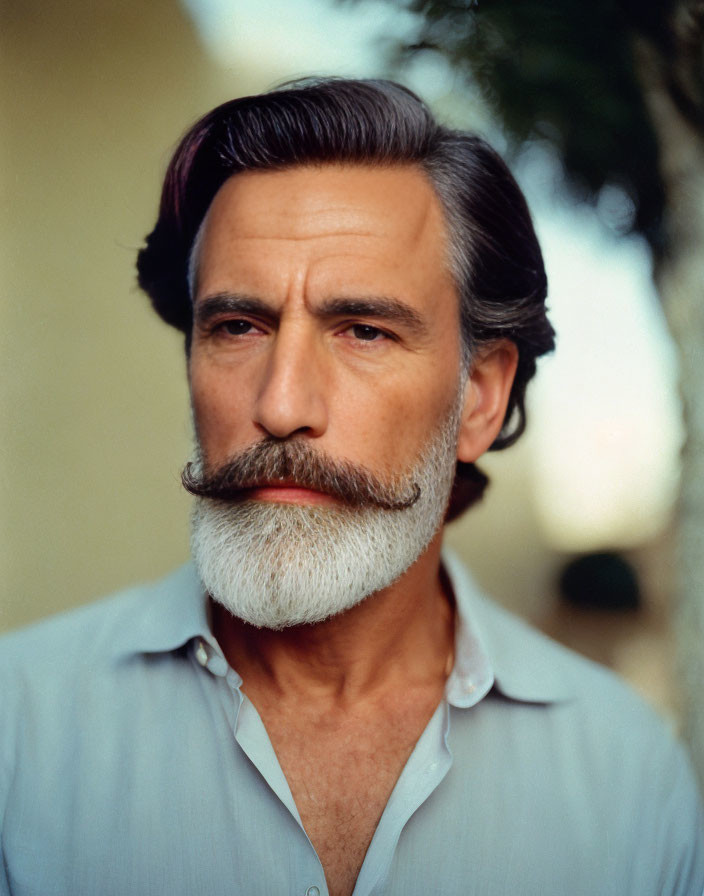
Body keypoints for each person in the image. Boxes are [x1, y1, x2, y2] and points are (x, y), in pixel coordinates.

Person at [1, 78, 702, 896]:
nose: (280, 405)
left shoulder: (622, 776)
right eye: (237, 327)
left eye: (363, 330)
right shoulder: (19, 728)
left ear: (481, 396)